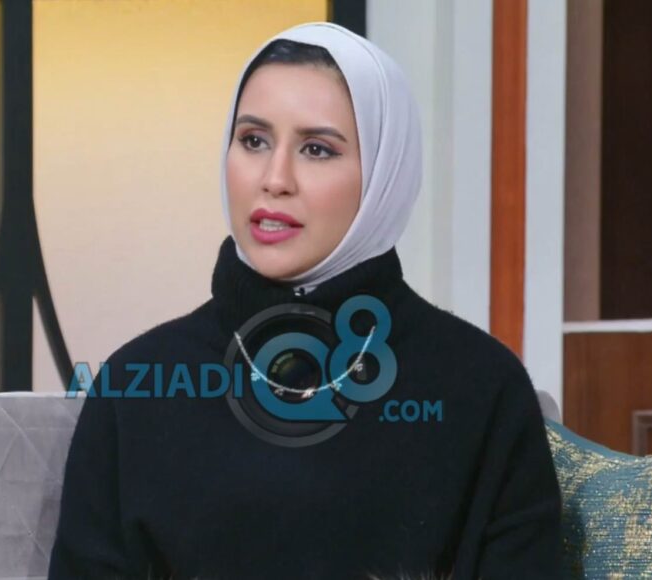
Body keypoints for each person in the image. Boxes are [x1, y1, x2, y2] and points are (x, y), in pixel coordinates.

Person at [49, 22, 563, 580]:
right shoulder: (135, 385)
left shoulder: (480, 386)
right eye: (253, 140)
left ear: (385, 176)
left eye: (317, 149)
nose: (274, 179)